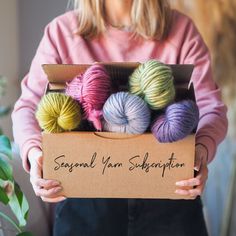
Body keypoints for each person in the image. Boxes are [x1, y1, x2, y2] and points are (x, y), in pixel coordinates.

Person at [12, 0, 228, 235]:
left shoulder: (181, 30)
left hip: (172, 198)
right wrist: (35, 155)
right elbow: (28, 107)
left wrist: (200, 152)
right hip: (85, 202)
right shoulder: (62, 32)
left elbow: (210, 107)